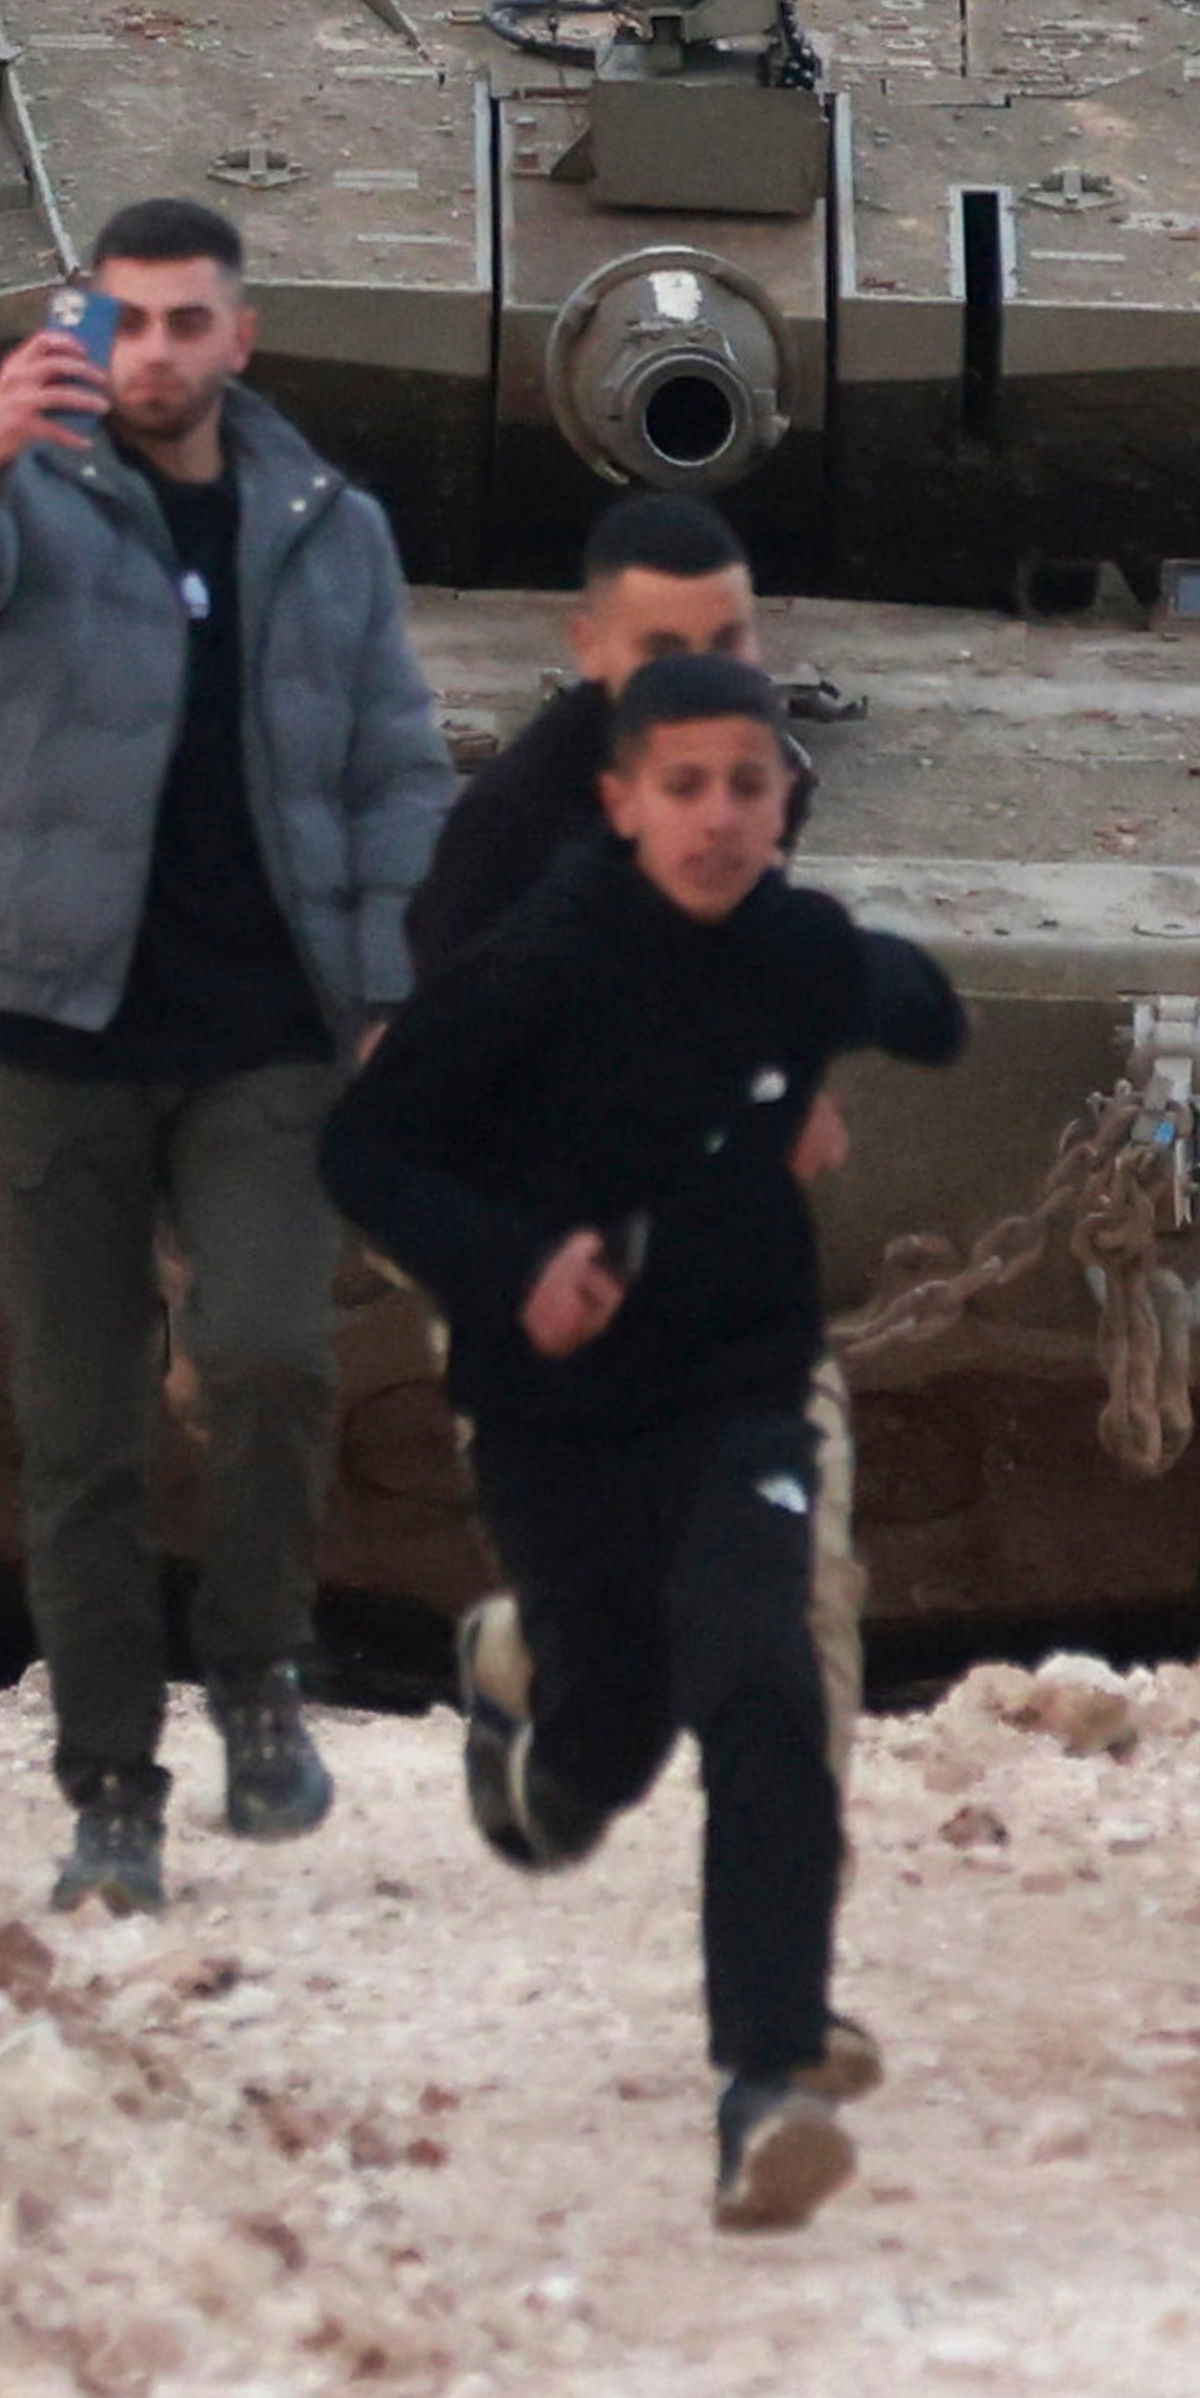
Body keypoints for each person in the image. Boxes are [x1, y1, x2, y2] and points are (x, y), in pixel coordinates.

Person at [0, 196, 454, 1916]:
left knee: (268, 1356)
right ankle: (112, 1789)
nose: (158, 351)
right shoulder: (22, 498)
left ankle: (257, 1673)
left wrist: (397, 977)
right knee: (84, 1431)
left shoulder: (328, 525)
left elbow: (395, 762)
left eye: (190, 320)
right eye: (127, 320)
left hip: (268, 1029)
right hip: (60, 1026)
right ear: (85, 328)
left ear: (239, 335)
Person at [318, 654, 967, 2230]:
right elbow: (374, 1146)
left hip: (745, 1381)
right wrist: (514, 1267)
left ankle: (773, 2065)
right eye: (687, 788)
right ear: (617, 803)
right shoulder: (530, 948)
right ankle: (531, 1679)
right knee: (611, 1721)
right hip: (563, 1389)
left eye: (753, 789)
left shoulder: (782, 939)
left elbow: (903, 999)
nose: (723, 819)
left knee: (775, 1657)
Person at [415, 489, 763, 976]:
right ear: (589, 644)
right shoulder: (510, 827)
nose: (702, 679)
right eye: (663, 652)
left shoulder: (769, 774)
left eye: (726, 643)